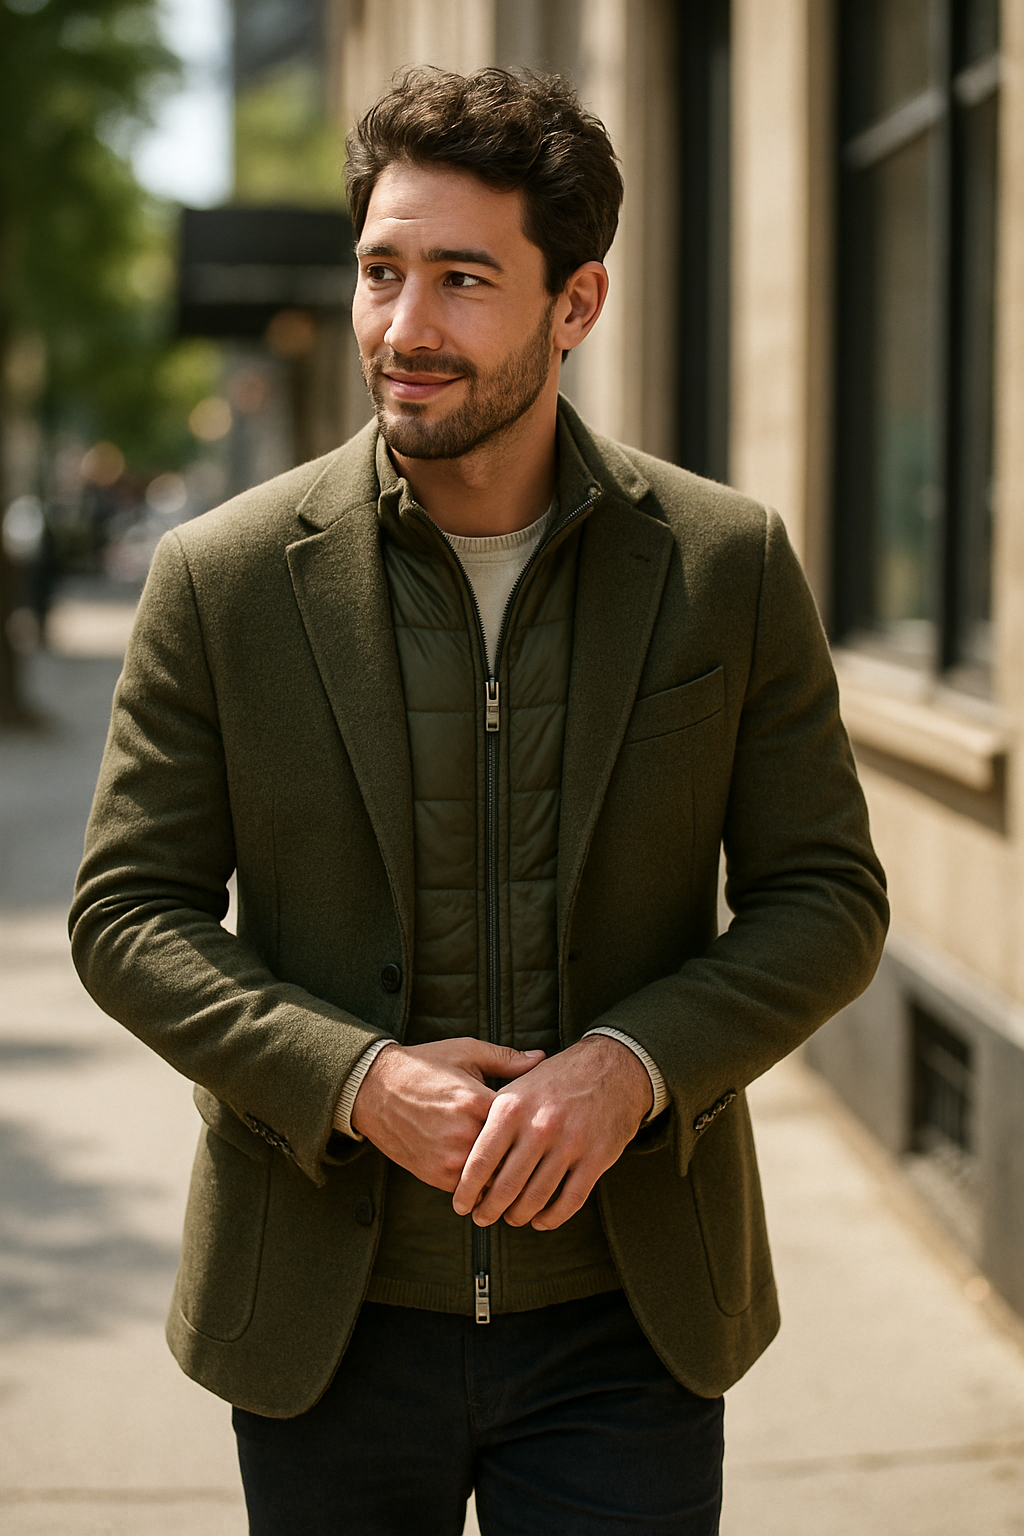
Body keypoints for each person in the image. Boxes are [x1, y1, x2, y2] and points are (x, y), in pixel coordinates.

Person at [70, 67, 888, 1536]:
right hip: (324, 1315)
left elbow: (827, 896)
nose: (403, 328)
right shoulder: (223, 577)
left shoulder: (725, 564)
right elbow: (128, 914)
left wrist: (633, 1066)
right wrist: (355, 1079)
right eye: (381, 271)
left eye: (462, 279)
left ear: (578, 304)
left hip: (627, 1316)